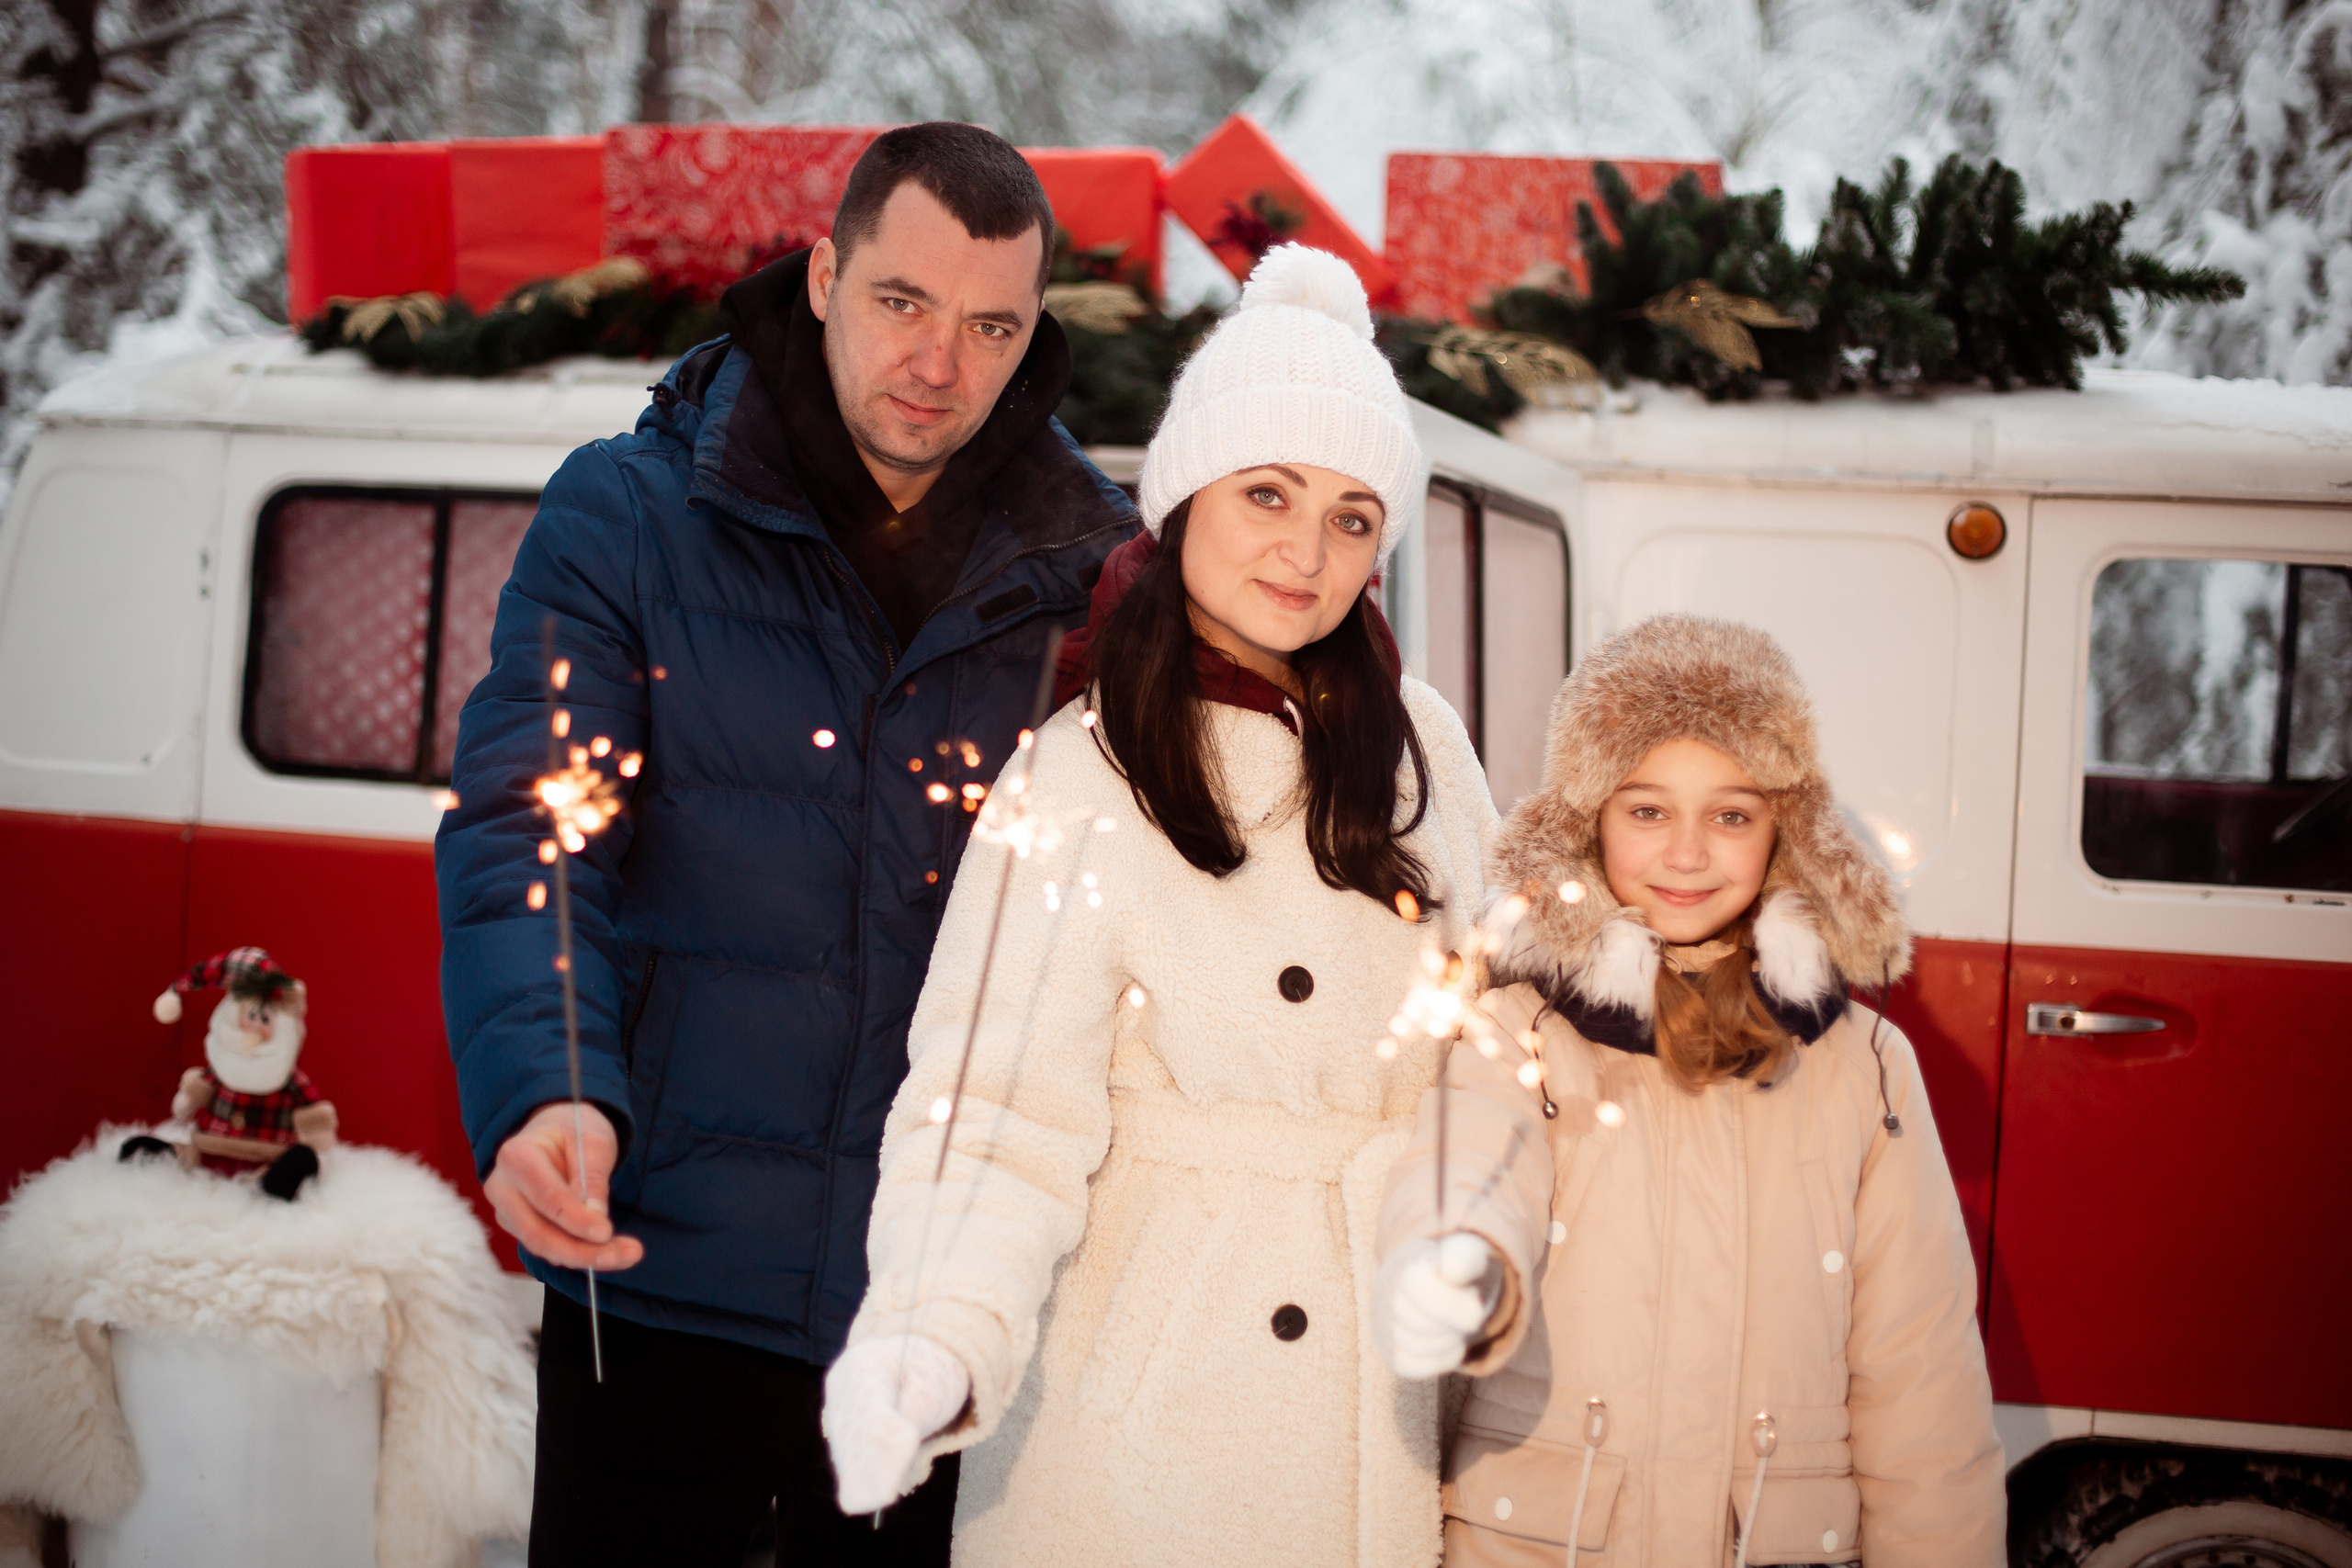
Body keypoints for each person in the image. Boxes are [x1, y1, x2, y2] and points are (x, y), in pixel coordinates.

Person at [434, 122, 1136, 1567]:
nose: (941, 362)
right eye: (903, 302)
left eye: (991, 324)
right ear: (822, 274)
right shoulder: (628, 517)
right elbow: (534, 826)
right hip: (660, 1272)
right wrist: (549, 1088)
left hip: (933, 1308)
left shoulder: (1093, 585)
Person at [819, 244, 1497, 1566]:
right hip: (1131, 1430)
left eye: (1354, 515)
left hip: (1373, 1424)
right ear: (1185, 498)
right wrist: (930, 1331)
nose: (1307, 552)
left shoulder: (1426, 745)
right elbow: (995, 1114)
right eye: (1267, 494)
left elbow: (1500, 1057)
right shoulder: (1078, 766)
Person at [1370, 614, 2005, 1567]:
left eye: (1732, 815)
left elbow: (1922, 1381)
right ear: (1587, 821)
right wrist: (1455, 1259)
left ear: (1785, 831)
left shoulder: (1862, 1064)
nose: (1686, 854)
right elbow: (1467, 1169)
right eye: (1648, 810)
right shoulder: (1521, 1028)